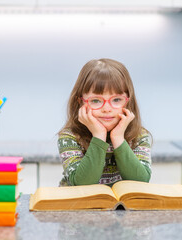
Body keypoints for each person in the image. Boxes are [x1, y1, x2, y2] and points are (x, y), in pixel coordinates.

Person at [58, 58, 152, 187]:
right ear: (80, 102)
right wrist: (99, 136)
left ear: (128, 101)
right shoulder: (69, 137)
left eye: (117, 99)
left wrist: (118, 138)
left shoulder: (139, 135)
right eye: (96, 101)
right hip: (77, 205)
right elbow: (82, 183)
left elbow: (141, 181)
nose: (107, 109)